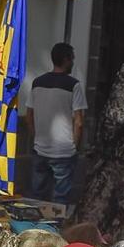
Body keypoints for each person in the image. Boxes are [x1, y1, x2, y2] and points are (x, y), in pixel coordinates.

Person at [24, 42, 87, 203]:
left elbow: (29, 114)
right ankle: (56, 226)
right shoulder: (74, 85)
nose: (73, 62)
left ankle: (33, 227)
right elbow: (78, 121)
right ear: (66, 60)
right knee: (60, 199)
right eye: (72, 58)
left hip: (41, 147)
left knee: (36, 197)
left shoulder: (37, 83)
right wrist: (75, 145)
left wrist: (35, 137)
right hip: (64, 151)